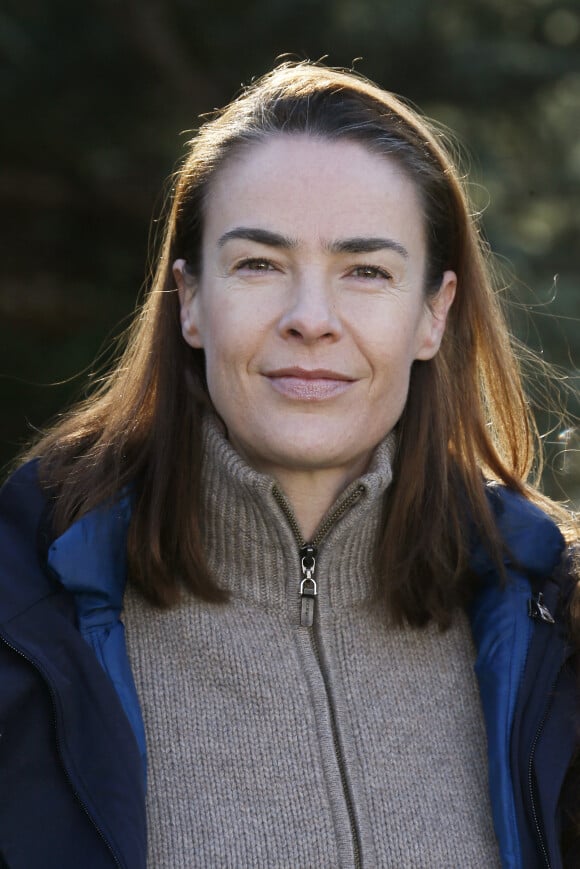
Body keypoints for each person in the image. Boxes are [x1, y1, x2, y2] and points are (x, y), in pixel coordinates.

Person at [0, 60, 578, 869]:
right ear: (191, 300)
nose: (311, 319)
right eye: (259, 264)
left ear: (433, 314)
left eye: (367, 271)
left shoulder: (559, 627)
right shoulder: (23, 610)